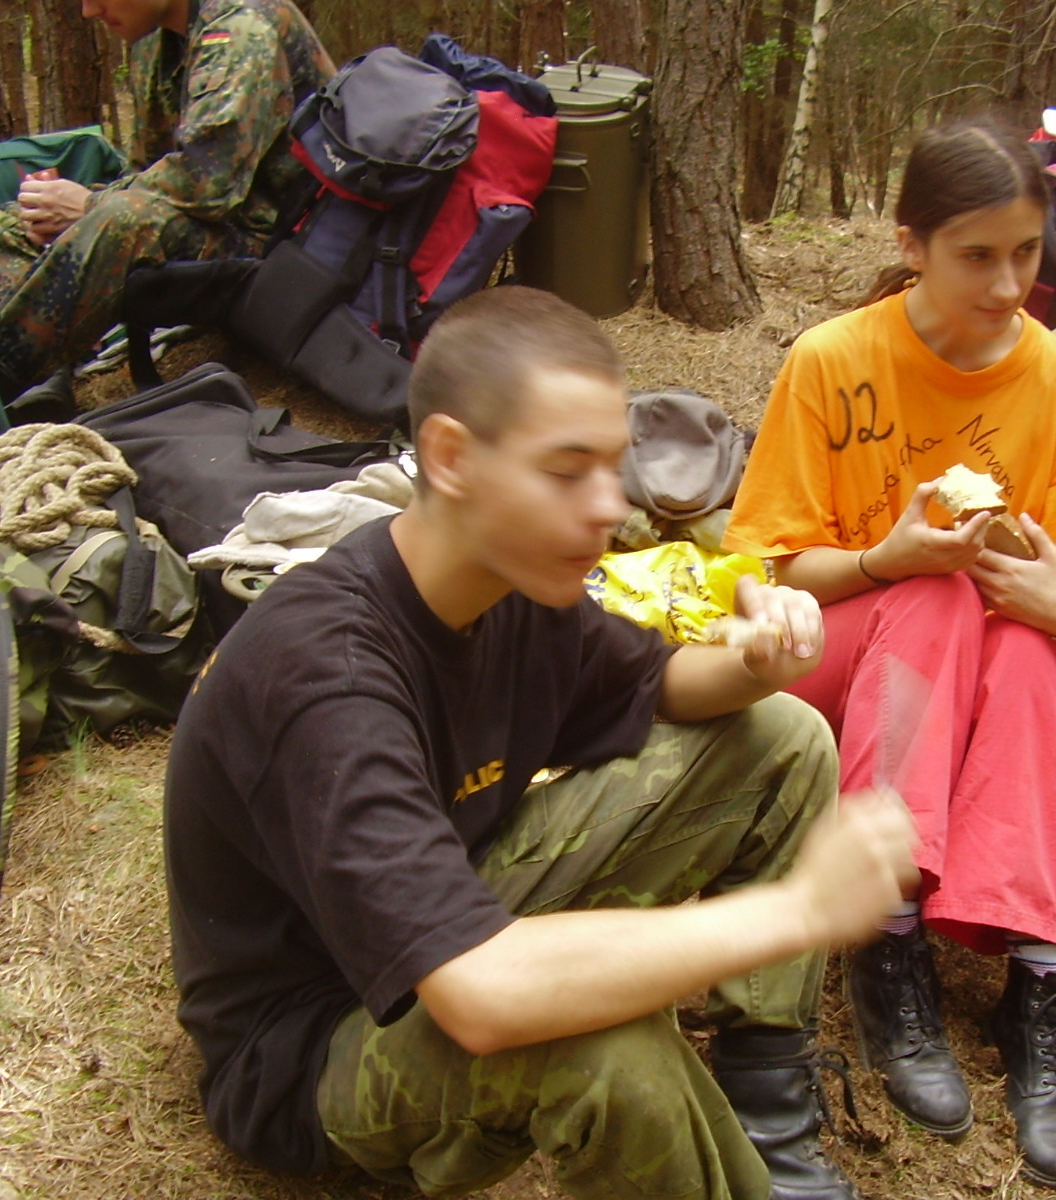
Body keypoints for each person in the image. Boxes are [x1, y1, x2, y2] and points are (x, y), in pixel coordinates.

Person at [163, 285, 919, 1200]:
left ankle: (769, 1112)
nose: (609, 505)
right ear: (450, 457)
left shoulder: (513, 584)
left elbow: (661, 684)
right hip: (319, 1038)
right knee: (606, 1045)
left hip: (451, 911)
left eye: (613, 465)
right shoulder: (329, 675)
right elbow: (485, 998)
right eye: (567, 471)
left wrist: (761, 660)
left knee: (782, 736)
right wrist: (800, 912)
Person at [722, 121, 1056, 1191]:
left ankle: (1038, 983)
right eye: (977, 256)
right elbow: (761, 570)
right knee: (936, 591)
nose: (1008, 286)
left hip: (976, 679)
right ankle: (887, 932)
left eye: (1026, 254)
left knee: (1034, 654)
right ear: (913, 245)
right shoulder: (834, 360)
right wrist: (884, 559)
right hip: (827, 659)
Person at [0, 0, 334, 408]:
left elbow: (207, 184)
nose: (88, 12)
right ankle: (50, 375)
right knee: (10, 224)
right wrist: (66, 206)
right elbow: (148, 169)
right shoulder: (157, 41)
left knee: (120, 220)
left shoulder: (241, 27)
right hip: (210, 222)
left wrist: (90, 205)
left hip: (280, 242)